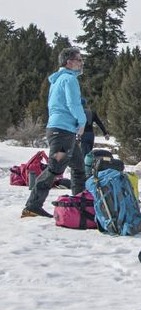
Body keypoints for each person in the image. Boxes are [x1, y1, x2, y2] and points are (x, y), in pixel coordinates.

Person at [21, 46, 88, 218]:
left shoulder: (58, 79)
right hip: (62, 131)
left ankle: (80, 204)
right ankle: (32, 205)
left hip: (63, 130)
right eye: (79, 60)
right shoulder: (68, 79)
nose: (82, 63)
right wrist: (82, 121)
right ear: (69, 62)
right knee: (54, 168)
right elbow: (73, 104)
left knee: (79, 167)